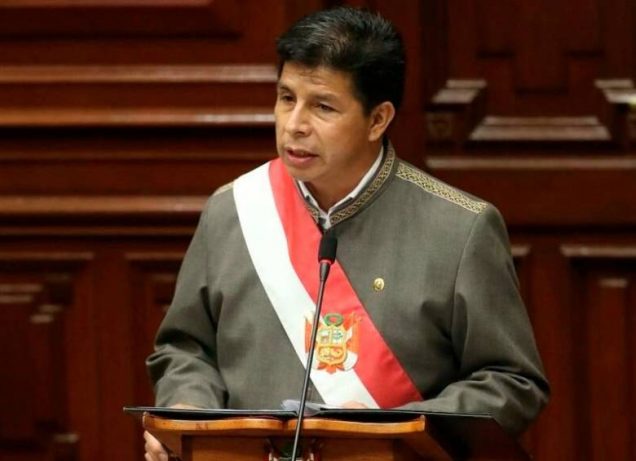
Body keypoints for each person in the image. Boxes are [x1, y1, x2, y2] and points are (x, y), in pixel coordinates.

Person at [144, 6, 549, 461]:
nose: (295, 124)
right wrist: (186, 410)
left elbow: (512, 382)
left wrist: (392, 432)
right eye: (286, 98)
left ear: (378, 120)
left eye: (322, 106)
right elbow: (185, 347)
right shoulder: (234, 210)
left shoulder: (460, 228)